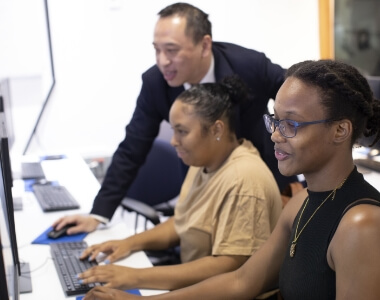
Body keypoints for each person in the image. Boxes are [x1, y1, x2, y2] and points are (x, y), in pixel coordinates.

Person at [83, 60, 380, 300]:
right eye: (275, 120)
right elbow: (242, 281)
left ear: (340, 131)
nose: (275, 134)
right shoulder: (302, 201)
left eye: (291, 124)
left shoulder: (360, 224)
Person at [52, 2, 297, 235]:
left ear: (204, 45)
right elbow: (132, 148)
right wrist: (98, 215)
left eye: (171, 50)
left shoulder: (248, 65)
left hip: (264, 184)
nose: (162, 61)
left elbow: (301, 97)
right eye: (156, 50)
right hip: (204, 188)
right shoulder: (155, 83)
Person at [76, 75, 282, 293]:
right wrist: (128, 243)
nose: (174, 140)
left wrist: (135, 276)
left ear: (217, 130)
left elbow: (229, 267)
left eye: (182, 131)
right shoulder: (203, 160)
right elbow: (182, 223)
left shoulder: (244, 180)